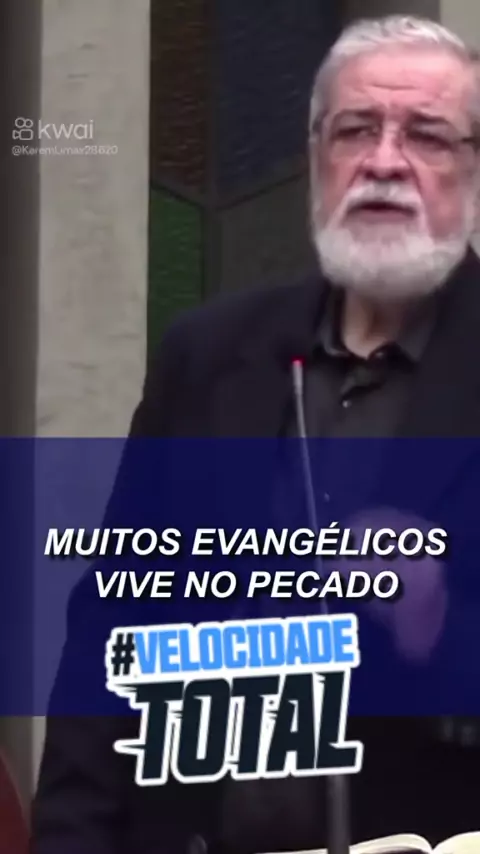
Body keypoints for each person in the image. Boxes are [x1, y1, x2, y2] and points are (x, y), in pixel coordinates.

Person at [32, 15, 480, 854]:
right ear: (317, 157)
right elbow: (108, 641)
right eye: (355, 130)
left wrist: (436, 628)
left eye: (427, 136)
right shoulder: (207, 356)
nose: (385, 162)